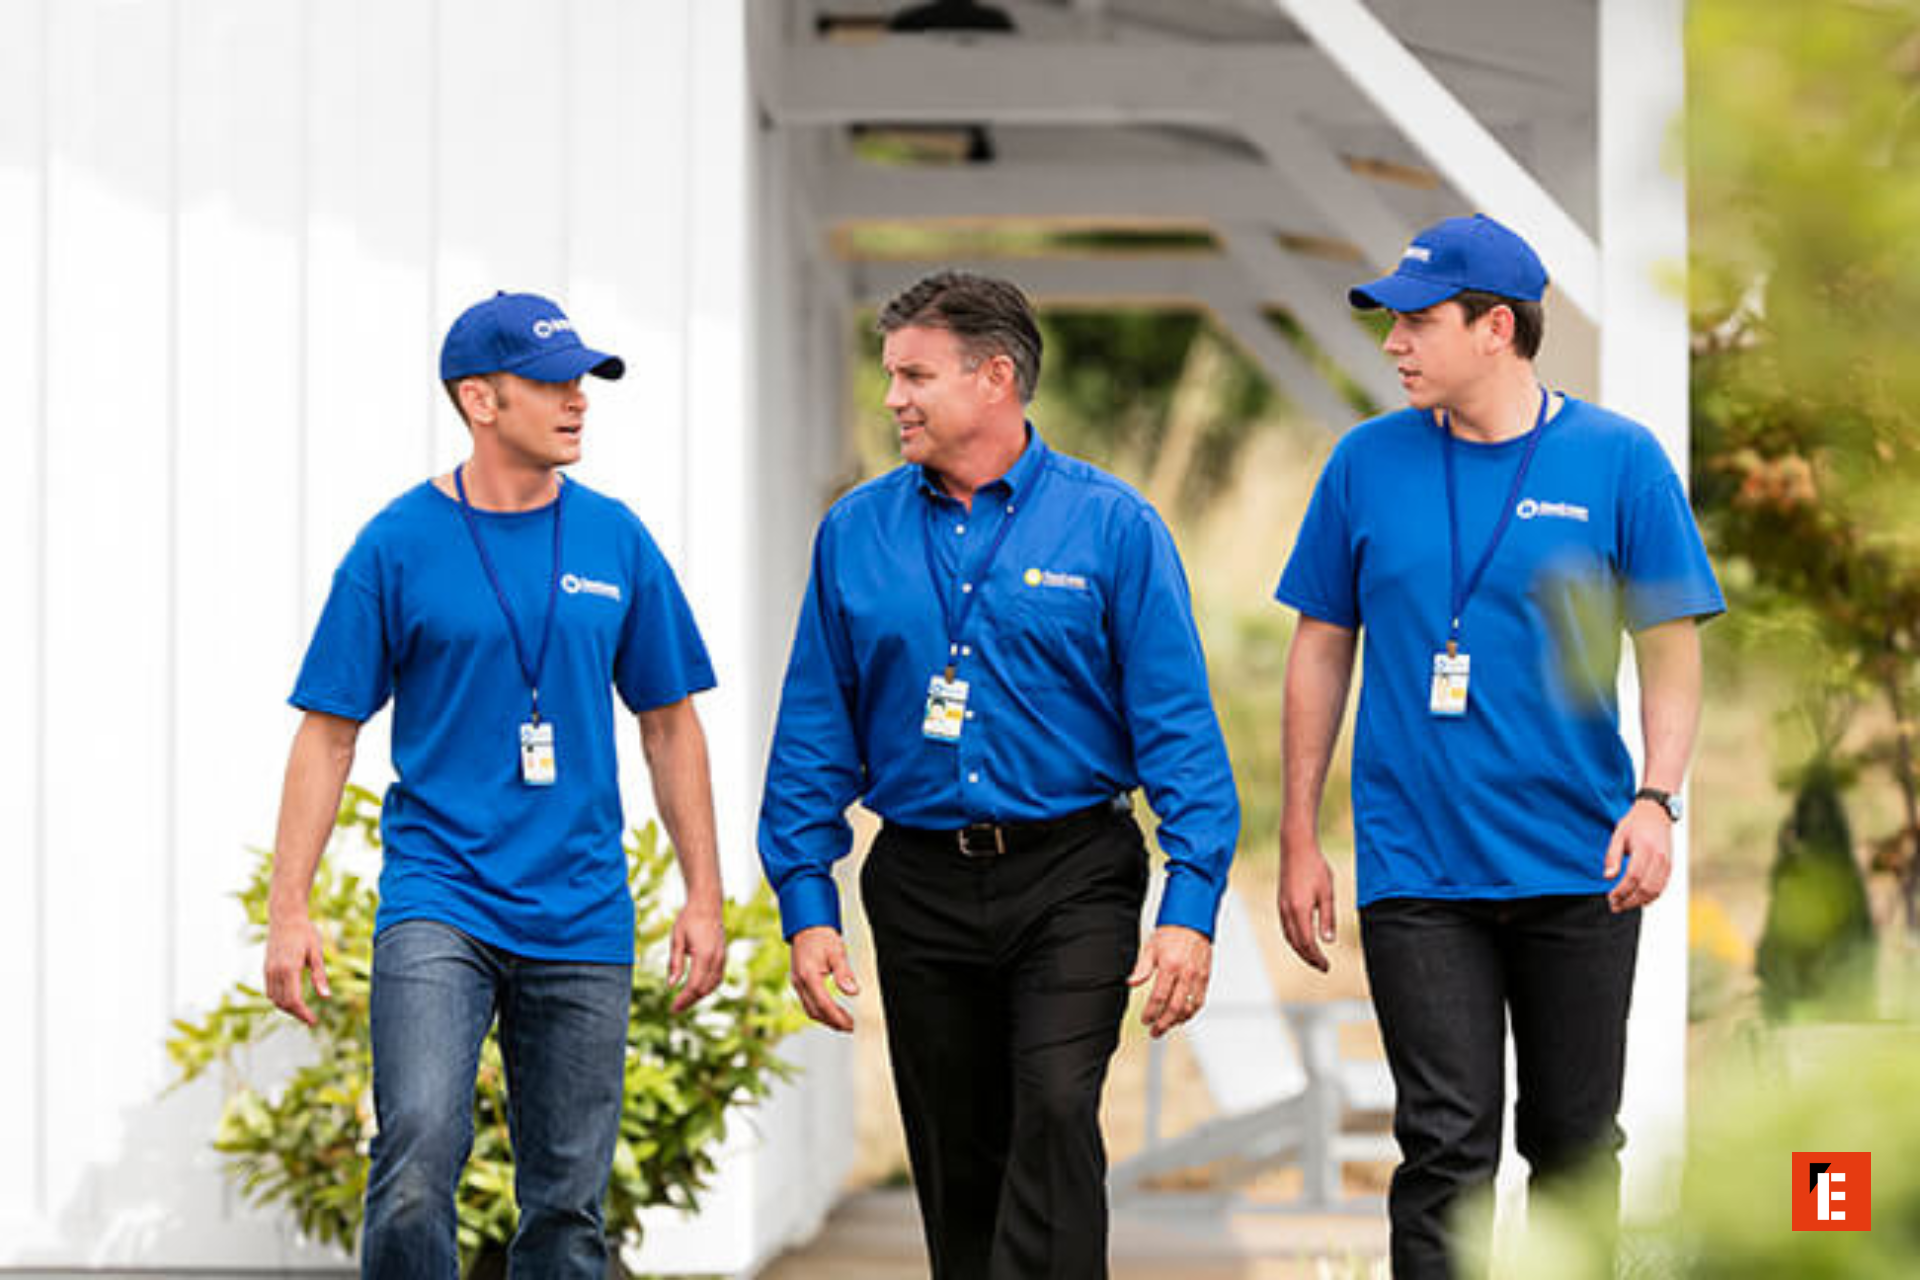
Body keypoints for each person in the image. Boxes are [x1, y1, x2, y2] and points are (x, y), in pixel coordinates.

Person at [758, 271, 1240, 1279]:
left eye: (915, 375)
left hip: (1072, 871)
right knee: (957, 1149)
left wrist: (1189, 901)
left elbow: (1180, 732)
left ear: (996, 376)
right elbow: (813, 734)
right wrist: (807, 901)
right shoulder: (854, 533)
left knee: (1059, 1105)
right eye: (891, 373)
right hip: (921, 878)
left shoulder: (1113, 526)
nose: (892, 396)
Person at [1273, 214, 1724, 1278]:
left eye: (1417, 322)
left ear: (1495, 329)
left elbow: (1670, 649)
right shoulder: (1363, 462)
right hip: (1416, 864)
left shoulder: (1618, 459)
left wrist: (1657, 799)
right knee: (1443, 1143)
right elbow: (1320, 646)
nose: (1393, 343)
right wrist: (1298, 829)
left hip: (1578, 862)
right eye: (1391, 323)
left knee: (1571, 1145)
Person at [263, 291, 727, 1278]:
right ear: (481, 397)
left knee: (568, 1203)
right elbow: (328, 734)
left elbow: (670, 723)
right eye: (553, 382)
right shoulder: (396, 543)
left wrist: (704, 894)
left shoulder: (617, 539)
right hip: (443, 894)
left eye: (583, 382)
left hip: (583, 906)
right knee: (419, 1152)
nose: (578, 401)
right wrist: (287, 908)